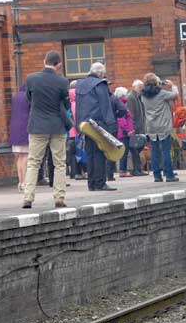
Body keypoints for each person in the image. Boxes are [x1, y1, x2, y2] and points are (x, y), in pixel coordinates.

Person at [22, 51, 70, 208]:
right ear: (59, 64)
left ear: (44, 61)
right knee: (59, 163)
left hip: (37, 126)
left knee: (34, 162)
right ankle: (59, 197)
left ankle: (28, 197)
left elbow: (29, 99)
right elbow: (66, 104)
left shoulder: (31, 79)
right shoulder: (63, 82)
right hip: (57, 126)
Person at [76, 62, 117, 191]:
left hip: (85, 124)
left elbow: (78, 106)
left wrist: (78, 125)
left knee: (90, 153)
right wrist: (111, 126)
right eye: (103, 74)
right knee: (100, 152)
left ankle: (92, 183)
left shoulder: (80, 85)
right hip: (99, 123)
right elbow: (106, 107)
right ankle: (100, 182)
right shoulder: (100, 84)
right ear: (100, 74)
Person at [141, 73, 179, 183]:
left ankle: (157, 176)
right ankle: (169, 175)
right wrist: (172, 86)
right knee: (166, 151)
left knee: (154, 152)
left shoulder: (143, 95)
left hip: (151, 126)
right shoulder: (162, 93)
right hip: (163, 125)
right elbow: (175, 95)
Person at [9, 84, 30, 192]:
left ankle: (20, 182)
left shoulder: (15, 96)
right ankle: (25, 182)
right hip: (25, 128)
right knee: (26, 156)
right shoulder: (29, 97)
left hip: (15, 128)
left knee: (20, 157)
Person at [106, 85, 130, 180]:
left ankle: (101, 174)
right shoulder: (113, 98)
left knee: (101, 150)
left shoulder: (96, 99)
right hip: (112, 126)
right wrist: (116, 115)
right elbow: (123, 109)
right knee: (112, 150)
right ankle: (110, 174)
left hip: (98, 126)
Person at [126, 80, 147, 176]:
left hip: (139, 127)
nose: (141, 89)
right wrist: (132, 128)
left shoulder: (138, 97)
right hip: (135, 128)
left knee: (138, 149)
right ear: (134, 87)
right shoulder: (131, 97)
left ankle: (138, 169)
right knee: (134, 149)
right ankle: (136, 170)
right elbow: (131, 114)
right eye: (140, 87)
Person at [114, 87, 133, 177]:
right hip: (123, 133)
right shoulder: (121, 105)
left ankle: (123, 170)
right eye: (125, 94)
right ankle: (122, 170)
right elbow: (121, 120)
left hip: (124, 132)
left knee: (124, 152)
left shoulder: (122, 104)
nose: (127, 96)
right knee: (123, 152)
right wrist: (127, 131)